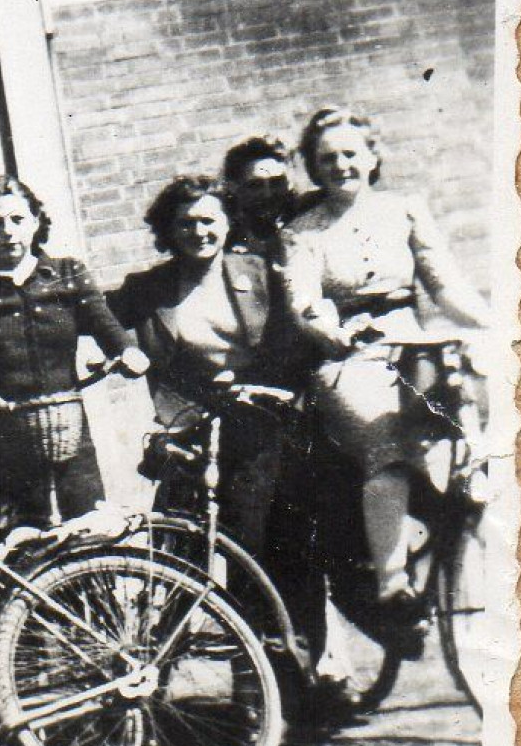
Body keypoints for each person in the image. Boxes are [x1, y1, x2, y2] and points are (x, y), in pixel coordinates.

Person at [280, 107, 492, 652]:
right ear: (312, 168)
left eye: (351, 154)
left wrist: (498, 323)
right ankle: (392, 583)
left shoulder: (404, 211)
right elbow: (304, 304)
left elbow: (445, 286)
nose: (340, 165)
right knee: (385, 445)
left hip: (412, 346)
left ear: (372, 158)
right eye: (327, 158)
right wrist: (334, 334)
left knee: (471, 430)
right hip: (349, 357)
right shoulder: (302, 232)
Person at [109, 176, 304, 553]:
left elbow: (292, 343)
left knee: (266, 544)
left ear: (228, 222)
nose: (199, 232)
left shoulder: (261, 274)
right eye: (186, 223)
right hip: (192, 427)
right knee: (184, 546)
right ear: (169, 228)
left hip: (263, 422)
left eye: (209, 221)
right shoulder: (147, 287)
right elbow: (93, 316)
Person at [0, 175, 146, 525]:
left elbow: (107, 327)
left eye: (17, 220)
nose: (8, 231)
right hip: (5, 439)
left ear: (36, 222)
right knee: (19, 547)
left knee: (87, 535)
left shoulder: (67, 274)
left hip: (68, 434)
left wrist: (128, 352)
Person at [222, 136, 302, 255]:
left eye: (276, 182)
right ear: (233, 187)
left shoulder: (306, 221)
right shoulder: (224, 238)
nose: (268, 194)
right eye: (256, 185)